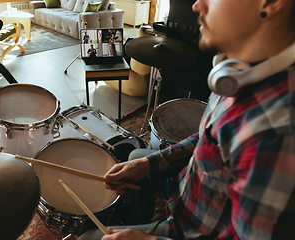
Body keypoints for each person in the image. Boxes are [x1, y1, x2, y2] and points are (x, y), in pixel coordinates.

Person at [78, 0, 295, 239]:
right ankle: (141, 218)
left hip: (195, 228)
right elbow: (207, 140)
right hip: (190, 194)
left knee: (87, 238)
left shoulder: (277, 132)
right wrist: (148, 165)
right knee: (136, 157)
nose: (197, 5)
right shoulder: (238, 72)